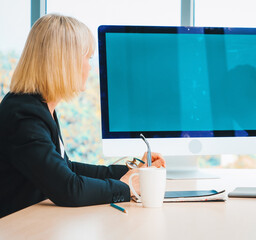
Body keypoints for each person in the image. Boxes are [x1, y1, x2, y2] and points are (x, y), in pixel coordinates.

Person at [0, 14, 165, 218]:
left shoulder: (38, 106)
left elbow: (66, 169)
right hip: (17, 228)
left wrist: (132, 172)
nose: (89, 66)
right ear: (64, 62)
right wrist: (126, 187)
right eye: (87, 58)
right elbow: (68, 189)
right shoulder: (24, 116)